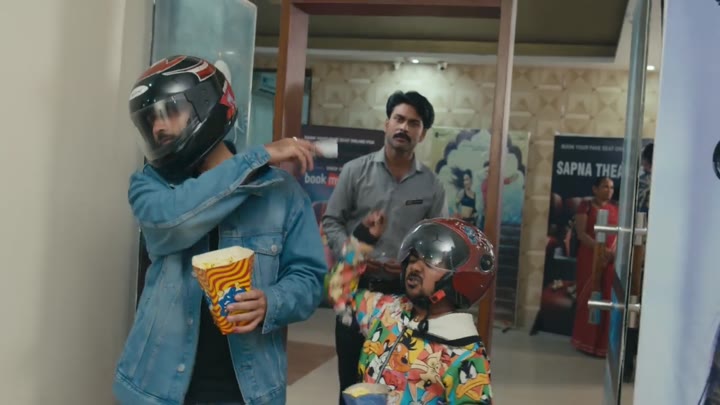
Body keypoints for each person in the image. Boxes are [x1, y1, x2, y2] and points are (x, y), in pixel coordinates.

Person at [112, 55, 327, 405]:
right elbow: (173, 220)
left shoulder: (281, 193)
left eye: (168, 113)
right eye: (150, 120)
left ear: (208, 106)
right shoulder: (149, 186)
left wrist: (271, 302)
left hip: (246, 390)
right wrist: (257, 157)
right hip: (157, 388)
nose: (158, 128)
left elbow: (309, 279)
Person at [321, 90, 448, 402]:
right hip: (355, 293)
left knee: (397, 383)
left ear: (422, 133)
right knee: (351, 383)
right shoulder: (355, 171)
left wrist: (411, 266)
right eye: (399, 119)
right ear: (387, 123)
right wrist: (356, 253)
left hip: (405, 298)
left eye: (413, 123)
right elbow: (331, 222)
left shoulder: (432, 185)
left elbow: (436, 242)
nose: (404, 127)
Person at [326, 215, 495, 404]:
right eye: (413, 259)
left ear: (460, 277)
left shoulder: (465, 353)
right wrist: (361, 241)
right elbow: (339, 293)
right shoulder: (387, 311)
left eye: (431, 262)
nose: (415, 267)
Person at [571, 176, 619, 357]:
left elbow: (619, 235)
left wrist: (612, 252)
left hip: (610, 259)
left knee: (606, 297)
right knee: (589, 297)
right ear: (595, 189)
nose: (609, 190)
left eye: (611, 187)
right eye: (605, 186)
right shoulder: (586, 207)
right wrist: (600, 249)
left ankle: (602, 346)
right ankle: (585, 341)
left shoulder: (616, 209)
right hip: (590, 257)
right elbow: (581, 234)